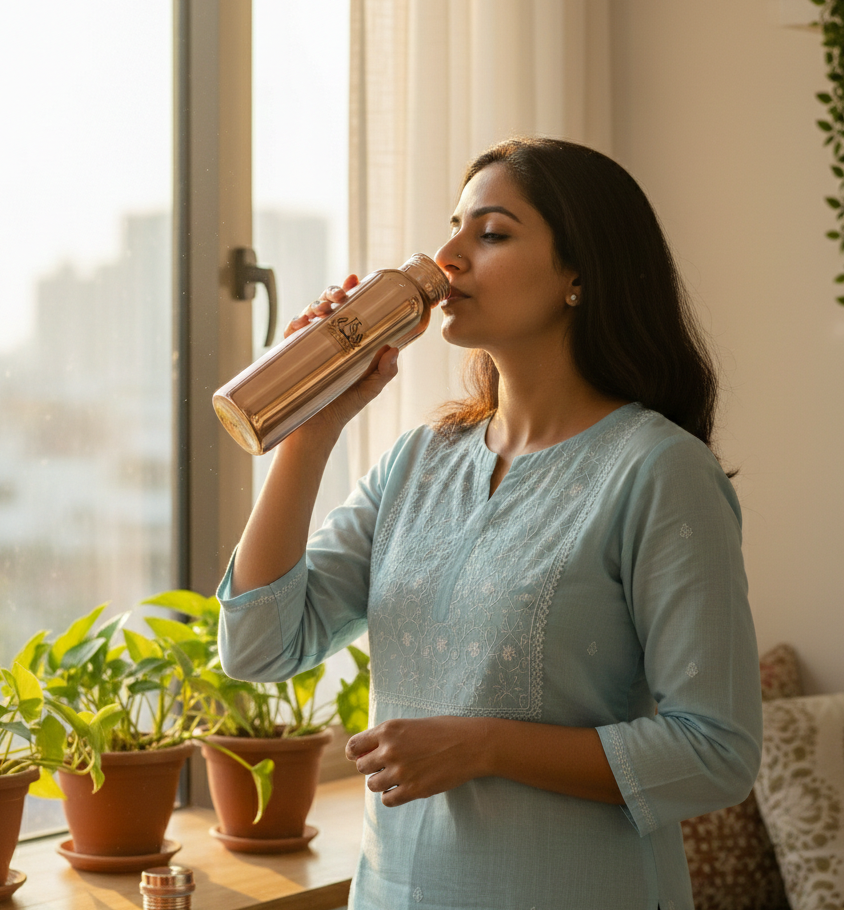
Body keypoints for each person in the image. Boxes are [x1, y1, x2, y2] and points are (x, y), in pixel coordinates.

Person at [217, 137, 762, 910]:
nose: (447, 257)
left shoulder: (659, 471)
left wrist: (485, 745)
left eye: (492, 232)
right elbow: (257, 645)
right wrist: (312, 427)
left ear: (580, 274)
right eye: (454, 227)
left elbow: (716, 751)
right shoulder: (418, 464)